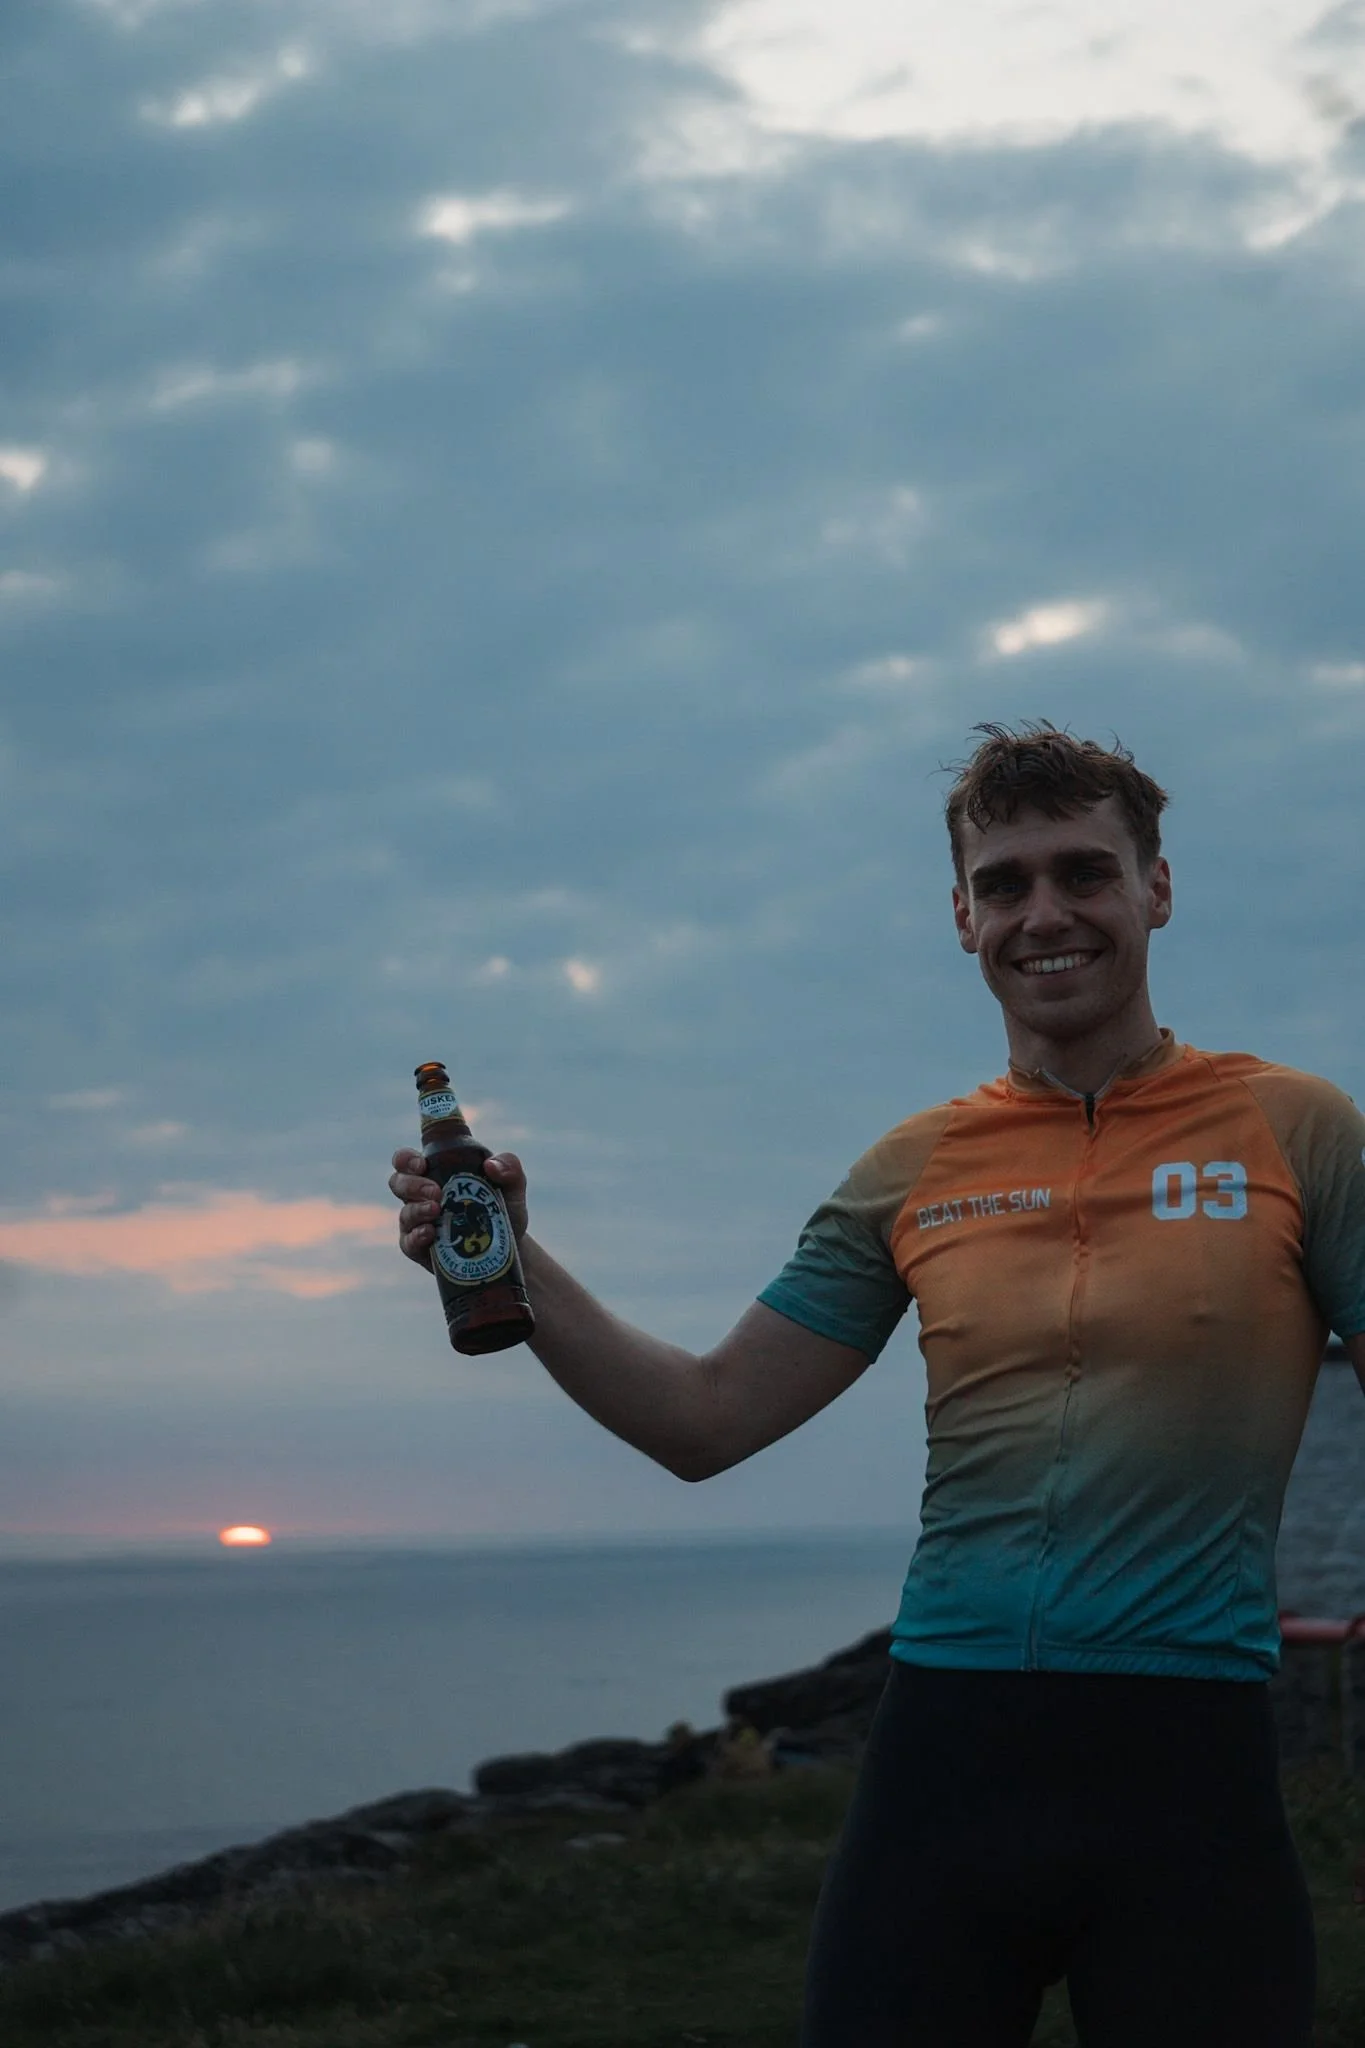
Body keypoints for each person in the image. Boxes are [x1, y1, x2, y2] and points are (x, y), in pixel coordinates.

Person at [390, 722, 1365, 2047]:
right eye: (1007, 883)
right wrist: (514, 1252)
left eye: (1085, 872)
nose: (1047, 913)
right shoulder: (915, 1165)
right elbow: (703, 1418)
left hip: (1189, 1769)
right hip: (943, 1763)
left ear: (1158, 890)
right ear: (962, 916)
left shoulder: (1297, 1130)